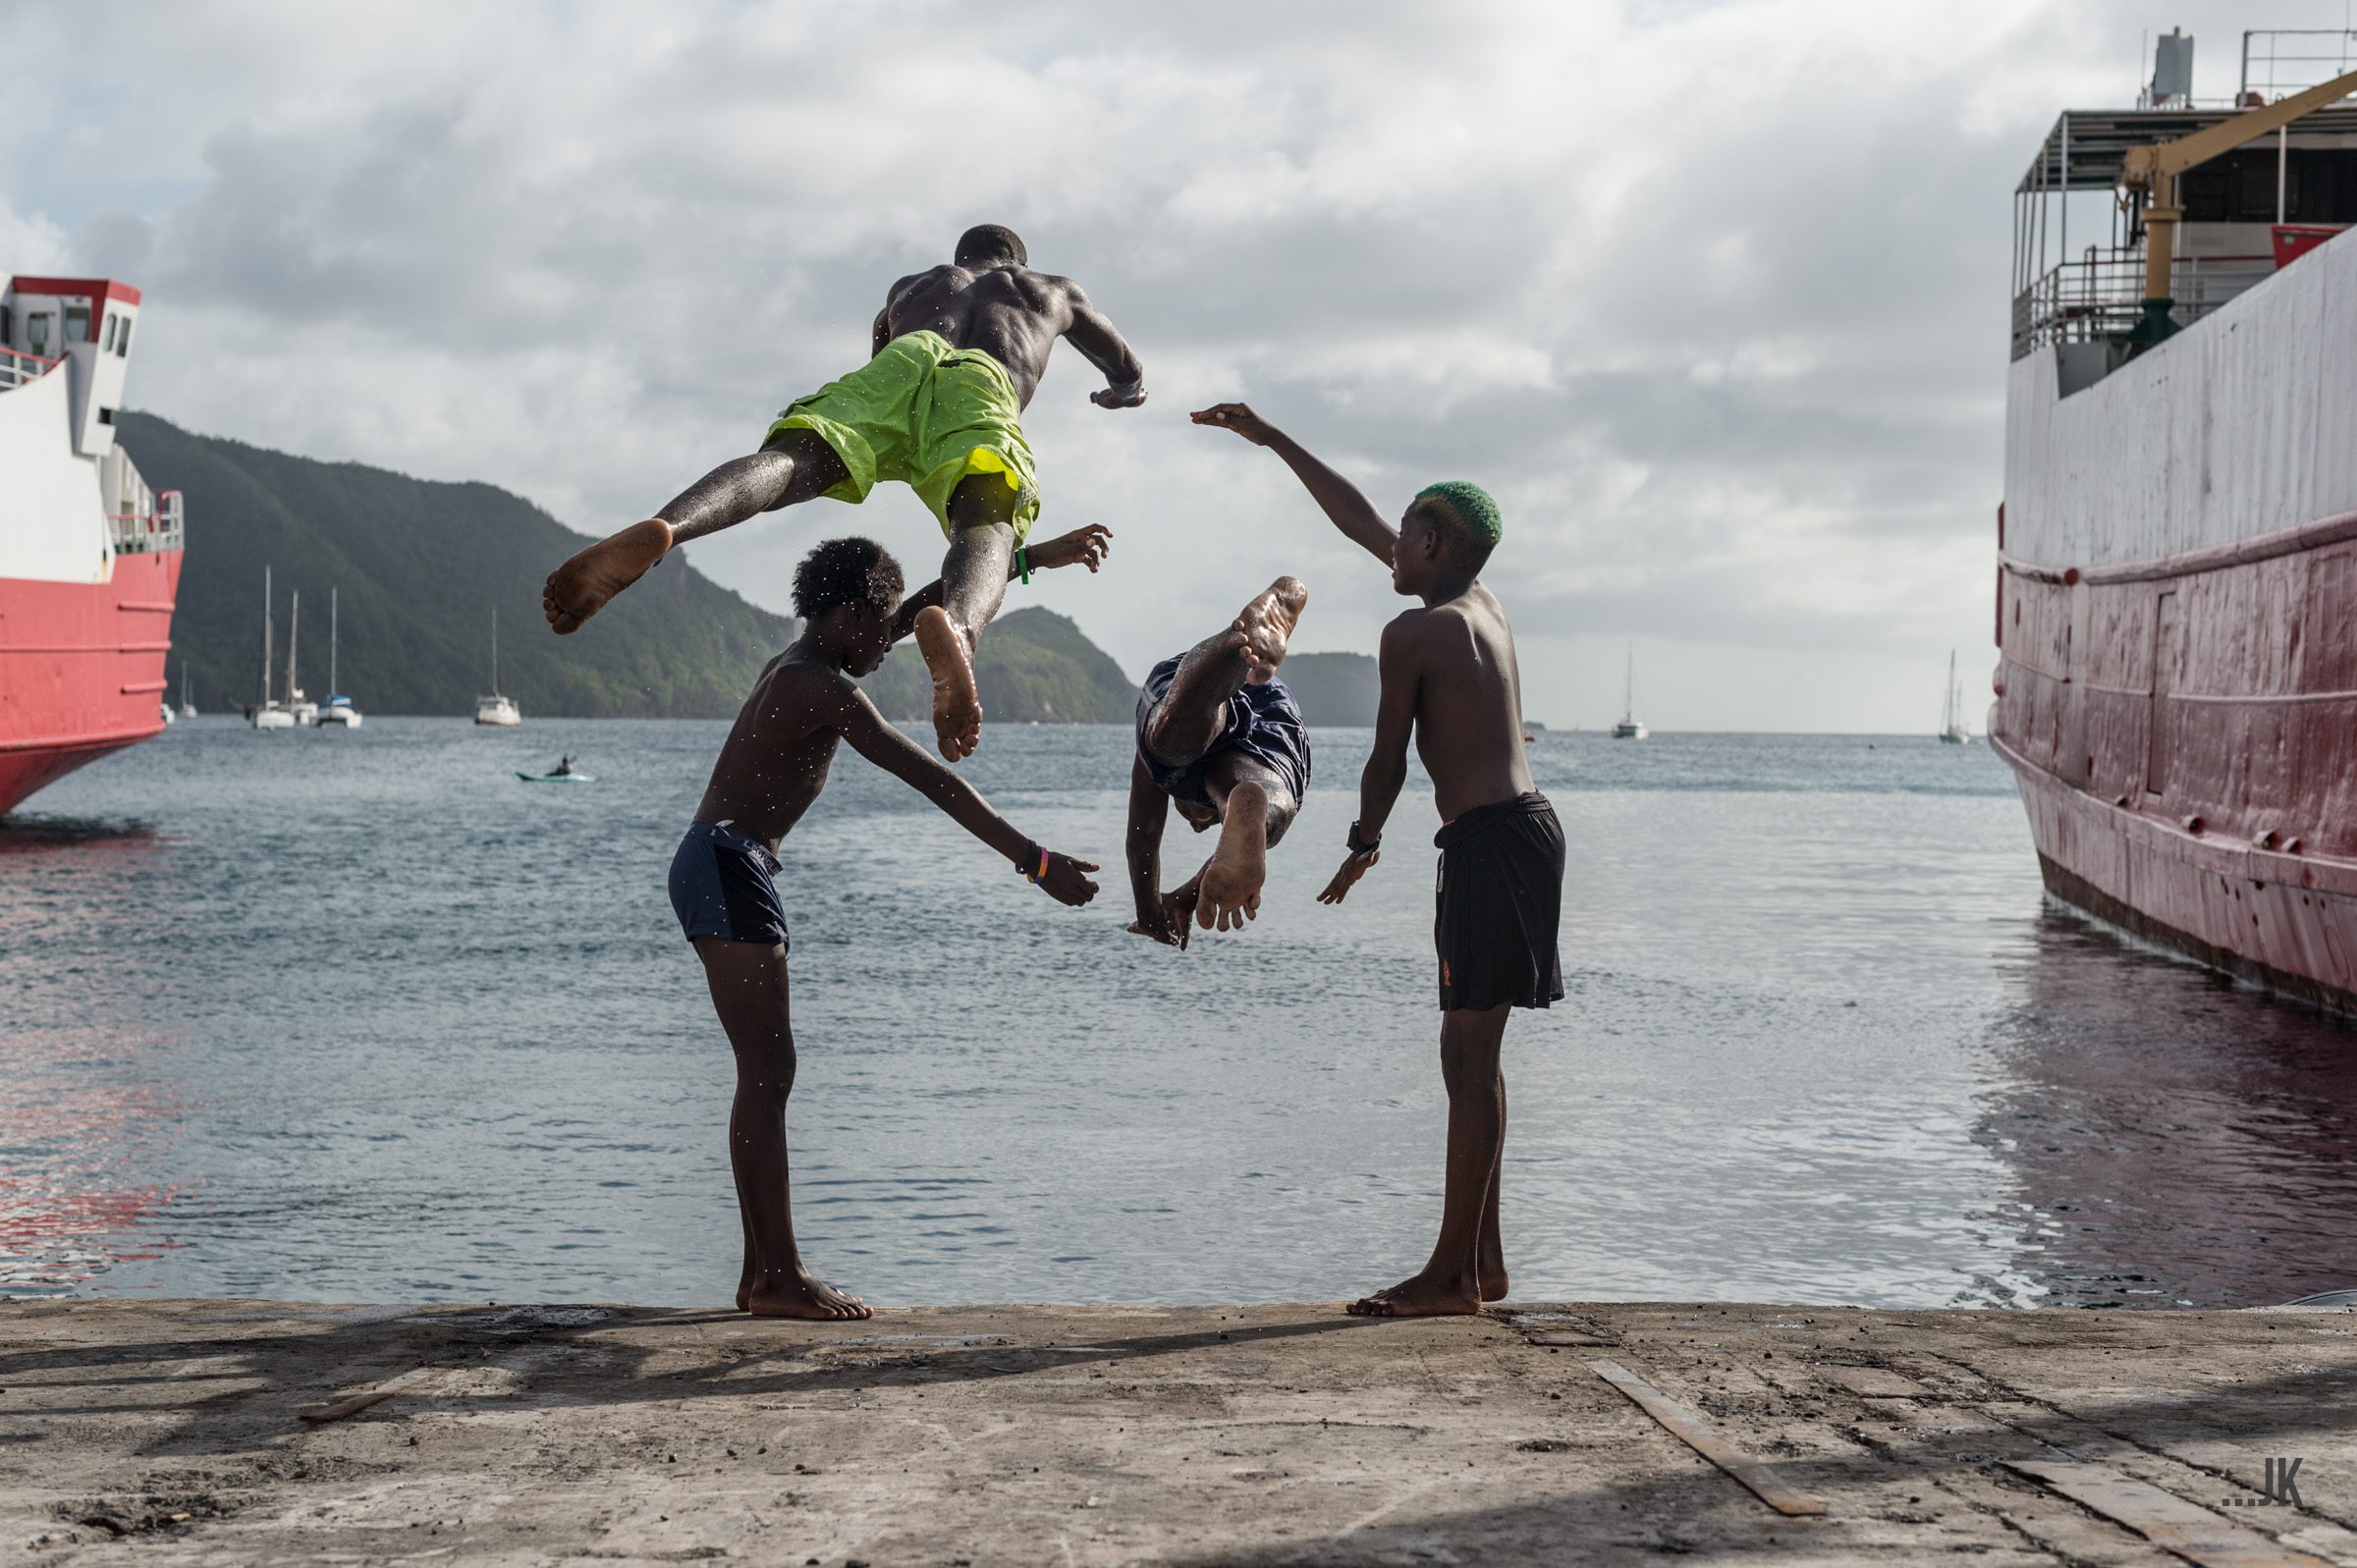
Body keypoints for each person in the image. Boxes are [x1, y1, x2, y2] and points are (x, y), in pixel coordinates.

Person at [670, 529, 1107, 1319]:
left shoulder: (814, 657)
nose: (890, 642)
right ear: (843, 615)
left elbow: (922, 610)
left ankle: (760, 1273)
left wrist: (1037, 558)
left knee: (767, 1075)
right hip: (727, 862)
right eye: (878, 628)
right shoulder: (820, 687)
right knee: (767, 1076)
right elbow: (931, 779)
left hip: (727, 862)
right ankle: (778, 1274)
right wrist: (1035, 861)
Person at [1194, 402, 1563, 1319]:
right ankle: (1482, 1261)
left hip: (1487, 844)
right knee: (1472, 1052)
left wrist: (1360, 848)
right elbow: (1361, 519)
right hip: (1528, 832)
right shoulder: (1479, 606)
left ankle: (1448, 1279)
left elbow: (1388, 761)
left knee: (1468, 1055)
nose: (1387, 545)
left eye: (1405, 535)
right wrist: (1276, 439)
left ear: (1432, 543)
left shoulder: (1412, 636)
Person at [543, 223, 1146, 763]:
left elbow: (881, 359)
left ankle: (669, 528)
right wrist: (1124, 392)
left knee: (790, 460)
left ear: (959, 259)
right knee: (986, 521)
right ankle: (958, 628)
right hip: (984, 381)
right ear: (1015, 261)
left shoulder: (911, 287)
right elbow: (1123, 362)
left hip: (902, 360)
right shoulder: (1049, 290)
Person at [1125, 577, 1312, 946]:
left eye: (1195, 815)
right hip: (1272, 721)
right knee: (1265, 804)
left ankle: (1235, 646)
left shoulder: (1166, 774)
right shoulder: (1239, 824)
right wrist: (1188, 895)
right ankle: (1243, 649)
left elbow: (1143, 834)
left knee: (1167, 747)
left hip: (1208, 684)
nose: (1198, 824)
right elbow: (1236, 846)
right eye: (1211, 818)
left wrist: (1149, 913)